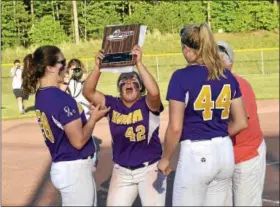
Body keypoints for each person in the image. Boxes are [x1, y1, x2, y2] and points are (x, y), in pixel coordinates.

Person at [157, 23, 248, 206]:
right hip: (225, 152)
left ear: (187, 49)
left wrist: (165, 158)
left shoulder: (181, 77)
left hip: (197, 154)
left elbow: (175, 128)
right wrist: (216, 133)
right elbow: (241, 122)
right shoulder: (227, 76)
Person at [21, 45, 110, 206]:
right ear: (50, 67)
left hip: (65, 165)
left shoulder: (43, 94)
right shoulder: (60, 98)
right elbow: (79, 141)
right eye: (63, 62)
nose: (67, 67)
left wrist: (87, 116)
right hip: (74, 168)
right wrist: (93, 119)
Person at [83, 45, 167, 206]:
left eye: (134, 81)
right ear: (119, 89)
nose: (129, 82)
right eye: (124, 81)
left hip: (150, 168)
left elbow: (155, 93)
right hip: (122, 170)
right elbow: (88, 92)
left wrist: (139, 64)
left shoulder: (147, 103)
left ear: (140, 87)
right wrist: (97, 68)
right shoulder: (113, 104)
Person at [217, 41, 267, 206]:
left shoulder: (238, 86)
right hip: (224, 157)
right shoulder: (209, 86)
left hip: (245, 155)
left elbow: (240, 123)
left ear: (229, 65)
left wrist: (210, 136)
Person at [60, 58, 99, 171]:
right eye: (73, 69)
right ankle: (79, 158)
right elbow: (60, 93)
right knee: (75, 135)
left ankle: (92, 157)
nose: (76, 71)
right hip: (73, 112)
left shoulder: (84, 77)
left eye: (77, 68)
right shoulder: (66, 79)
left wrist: (82, 78)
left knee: (86, 133)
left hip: (86, 110)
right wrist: (68, 78)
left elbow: (91, 87)